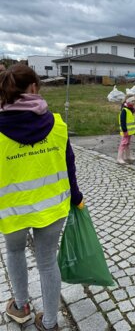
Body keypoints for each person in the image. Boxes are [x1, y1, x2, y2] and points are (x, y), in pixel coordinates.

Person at [0, 64, 84, 331]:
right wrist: (77, 198)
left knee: (14, 252)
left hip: (11, 211)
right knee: (47, 262)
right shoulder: (57, 125)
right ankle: (49, 323)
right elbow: (70, 167)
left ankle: (21, 307)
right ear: (34, 88)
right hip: (52, 208)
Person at [117, 94, 135, 164]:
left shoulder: (131, 109)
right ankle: (119, 158)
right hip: (125, 131)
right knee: (123, 144)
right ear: (128, 101)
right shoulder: (124, 110)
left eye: (134, 101)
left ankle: (128, 156)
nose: (133, 102)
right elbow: (123, 122)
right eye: (132, 101)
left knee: (127, 143)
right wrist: (125, 130)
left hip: (129, 131)